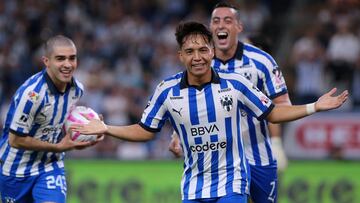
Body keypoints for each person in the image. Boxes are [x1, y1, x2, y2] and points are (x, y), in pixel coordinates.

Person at [71, 22, 348, 203]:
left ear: (213, 52)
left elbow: (272, 113)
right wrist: (106, 129)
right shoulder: (167, 91)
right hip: (193, 186)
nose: (197, 57)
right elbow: (145, 130)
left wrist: (314, 107)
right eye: (190, 51)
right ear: (180, 55)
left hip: (233, 182)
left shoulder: (236, 84)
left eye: (203, 49)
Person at [169, 2, 291, 202]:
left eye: (228, 20)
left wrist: (275, 138)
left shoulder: (262, 61)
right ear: (211, 28)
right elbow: (189, 103)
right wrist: (176, 134)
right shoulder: (200, 62)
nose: (221, 25)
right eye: (216, 21)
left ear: (239, 27)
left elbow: (283, 104)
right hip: (219, 163)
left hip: (258, 153)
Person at [0, 35, 101, 203]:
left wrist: (90, 128)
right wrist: (58, 146)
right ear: (46, 61)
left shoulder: (77, 90)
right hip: (15, 169)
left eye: (72, 58)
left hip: (49, 165)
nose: (68, 64)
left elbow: (61, 119)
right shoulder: (32, 95)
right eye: (60, 59)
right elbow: (15, 140)